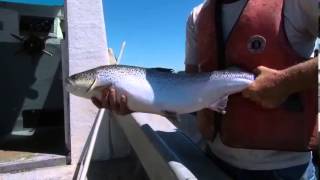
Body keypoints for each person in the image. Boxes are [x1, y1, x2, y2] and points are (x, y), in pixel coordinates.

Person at [92, 0, 318, 179]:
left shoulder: (296, 3)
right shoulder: (197, 16)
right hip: (212, 161)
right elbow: (186, 90)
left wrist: (285, 82)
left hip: (285, 170)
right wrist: (135, 102)